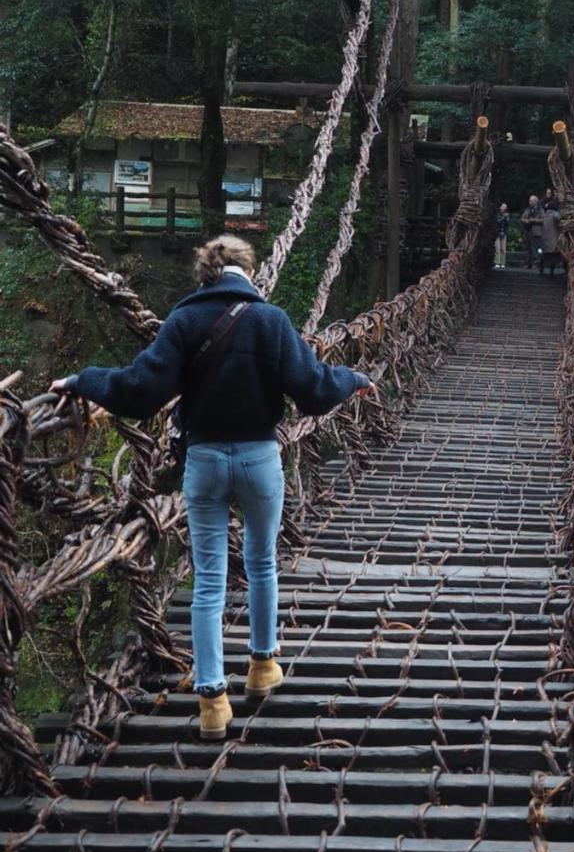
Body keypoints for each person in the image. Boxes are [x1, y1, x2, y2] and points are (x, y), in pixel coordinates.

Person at [49, 235, 373, 740]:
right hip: (259, 459)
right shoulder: (271, 321)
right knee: (262, 563)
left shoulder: (183, 320)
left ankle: (212, 701)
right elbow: (312, 389)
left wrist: (82, 379)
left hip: (203, 460)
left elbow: (139, 389)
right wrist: (352, 377)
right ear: (249, 271)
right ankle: (263, 670)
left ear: (206, 274)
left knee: (208, 579)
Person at [540, 203, 563, 277]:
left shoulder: (544, 215)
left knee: (544, 257)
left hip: (545, 240)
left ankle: (541, 271)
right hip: (553, 239)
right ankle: (551, 274)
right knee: (554, 257)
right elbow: (559, 218)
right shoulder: (554, 214)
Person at [520, 195, 543, 269]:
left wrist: (534, 220)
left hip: (535, 232)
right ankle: (527, 263)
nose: (530, 202)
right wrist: (526, 220)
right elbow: (522, 218)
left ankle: (535, 264)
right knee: (527, 248)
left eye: (532, 201)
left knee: (534, 248)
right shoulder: (527, 209)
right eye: (530, 201)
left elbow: (543, 220)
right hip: (527, 231)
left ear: (536, 201)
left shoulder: (540, 210)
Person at [494, 203, 510, 269]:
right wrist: (503, 217)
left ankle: (503, 263)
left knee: (503, 249)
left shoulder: (507, 215)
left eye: (505, 207)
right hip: (498, 233)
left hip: (504, 233)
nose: (503, 208)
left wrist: (506, 218)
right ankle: (497, 262)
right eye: (503, 207)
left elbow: (508, 223)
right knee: (497, 248)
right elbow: (498, 221)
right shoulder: (498, 214)